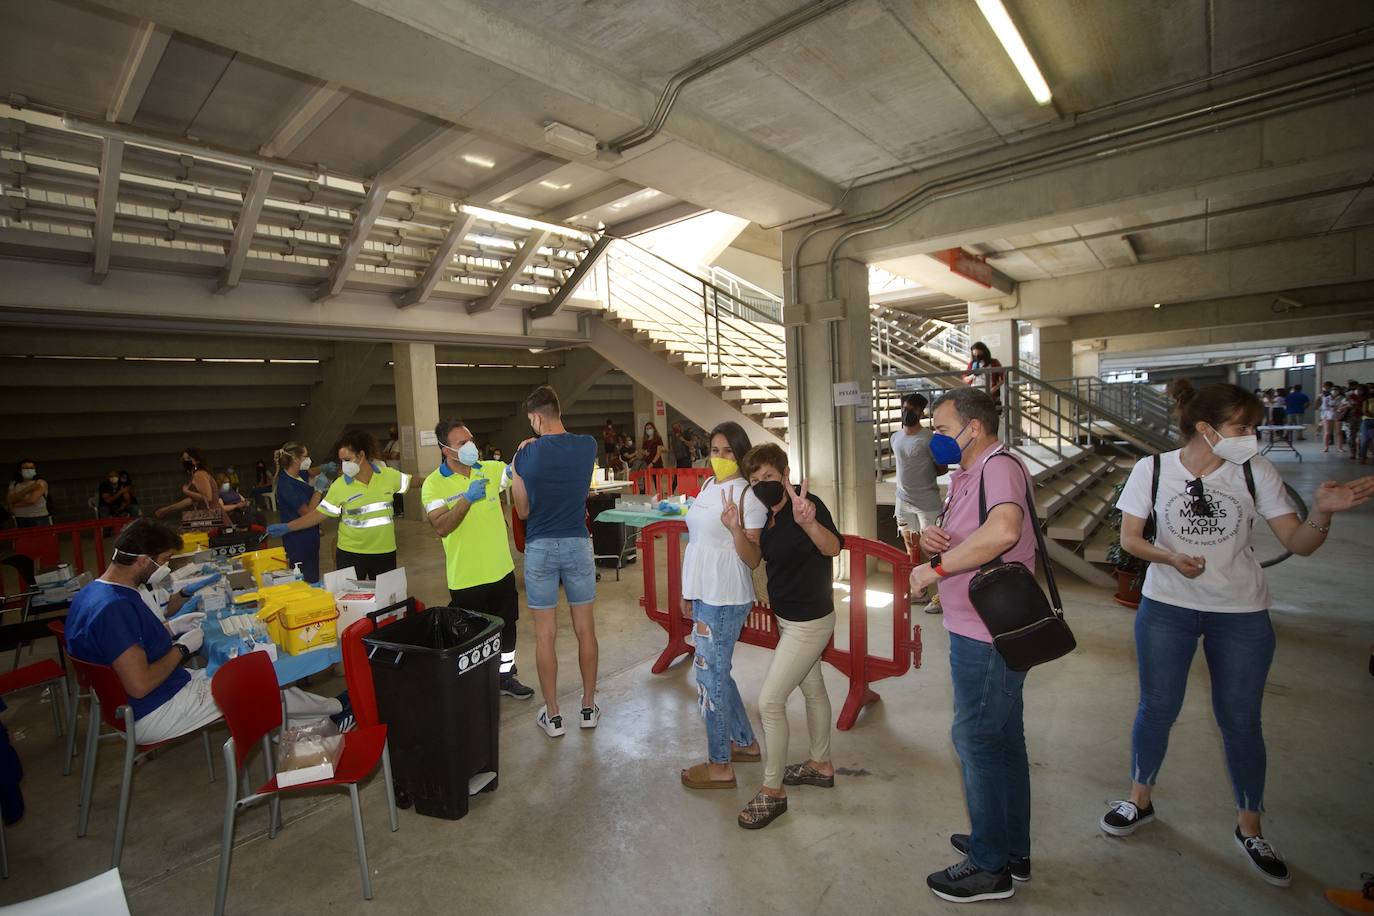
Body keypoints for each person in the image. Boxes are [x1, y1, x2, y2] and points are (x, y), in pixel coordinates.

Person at [1103, 383, 1374, 887]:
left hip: (1242, 613)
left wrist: (1323, 513)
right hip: (1167, 608)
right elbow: (1130, 540)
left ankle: (1250, 826)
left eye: (1252, 426)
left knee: (1242, 720)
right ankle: (1139, 800)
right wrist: (1170, 557)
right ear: (1206, 428)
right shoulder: (1154, 469)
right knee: (1156, 707)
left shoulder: (1255, 470)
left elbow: (1299, 542)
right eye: (1242, 427)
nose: (1252, 435)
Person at [905, 387, 1039, 902]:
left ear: (974, 427)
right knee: (1003, 740)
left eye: (941, 428)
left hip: (987, 633)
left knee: (976, 741)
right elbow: (978, 533)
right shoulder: (967, 474)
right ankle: (1009, 846)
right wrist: (941, 540)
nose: (935, 437)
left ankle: (988, 866)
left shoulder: (999, 466)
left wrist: (931, 569)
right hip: (975, 625)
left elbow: (1004, 530)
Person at [64, 519, 345, 744]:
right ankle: (336, 710)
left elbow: (125, 644)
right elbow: (140, 684)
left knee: (253, 680)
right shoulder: (115, 608)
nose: (165, 568)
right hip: (152, 710)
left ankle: (323, 721)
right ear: (142, 561)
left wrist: (171, 627)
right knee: (259, 681)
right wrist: (183, 648)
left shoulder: (93, 594)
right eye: (163, 560)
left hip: (142, 700)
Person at [732, 443, 842, 831]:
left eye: (770, 477)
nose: (763, 484)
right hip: (787, 620)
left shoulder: (807, 505)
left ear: (786, 474)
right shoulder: (770, 515)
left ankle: (772, 791)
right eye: (755, 479)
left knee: (769, 702)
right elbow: (754, 560)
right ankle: (820, 764)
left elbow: (833, 547)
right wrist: (735, 529)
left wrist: (810, 522)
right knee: (812, 690)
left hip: (810, 622)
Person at [677, 422, 766, 791]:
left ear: (742, 454)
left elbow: (753, 558)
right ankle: (744, 743)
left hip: (727, 596)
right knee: (716, 673)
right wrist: (688, 592)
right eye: (715, 450)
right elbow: (696, 541)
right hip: (704, 593)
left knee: (708, 678)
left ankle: (720, 765)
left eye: (728, 451)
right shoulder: (709, 486)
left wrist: (734, 529)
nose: (720, 457)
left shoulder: (749, 496)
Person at [508, 386, 600, 737]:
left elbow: (523, 510)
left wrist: (518, 463)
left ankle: (554, 716)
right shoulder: (588, 445)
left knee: (545, 635)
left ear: (536, 418)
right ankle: (588, 708)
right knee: (585, 629)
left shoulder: (526, 457)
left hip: (541, 548)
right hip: (577, 542)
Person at [421, 418, 533, 700]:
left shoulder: (490, 470)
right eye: (462, 443)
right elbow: (441, 526)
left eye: (470, 439)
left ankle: (505, 677)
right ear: (446, 450)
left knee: (507, 628)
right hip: (467, 577)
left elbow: (514, 471)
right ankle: (475, 685)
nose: (471, 446)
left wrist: (527, 451)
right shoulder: (433, 485)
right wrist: (467, 499)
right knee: (470, 637)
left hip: (501, 570)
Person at [265, 430, 410, 579]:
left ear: (361, 455)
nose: (343, 465)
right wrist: (289, 526)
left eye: (347, 460)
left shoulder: (387, 475)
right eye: (342, 461)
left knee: (386, 597)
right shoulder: (339, 486)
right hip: (347, 550)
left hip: (383, 551)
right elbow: (316, 514)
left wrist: (432, 481)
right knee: (319, 582)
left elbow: (413, 481)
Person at [891, 392, 947, 614]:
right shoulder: (895, 437)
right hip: (903, 501)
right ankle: (919, 592)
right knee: (910, 546)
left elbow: (941, 467)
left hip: (927, 502)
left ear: (921, 413)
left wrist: (927, 468)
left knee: (934, 549)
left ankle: (942, 596)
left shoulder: (929, 438)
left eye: (912, 410)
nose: (907, 413)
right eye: (905, 408)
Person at [272, 442, 322, 583]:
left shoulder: (297, 475)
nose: (308, 460)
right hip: (299, 539)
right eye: (305, 457)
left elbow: (311, 472)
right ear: (295, 459)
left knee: (313, 571)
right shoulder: (287, 485)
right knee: (306, 578)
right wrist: (319, 490)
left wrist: (325, 467)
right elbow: (309, 514)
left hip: (310, 536)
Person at [154, 448, 217, 520]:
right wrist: (167, 509)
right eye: (184, 458)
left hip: (210, 517)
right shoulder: (196, 474)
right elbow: (192, 500)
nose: (185, 461)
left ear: (197, 461)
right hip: (206, 516)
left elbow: (207, 497)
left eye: (188, 458)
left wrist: (186, 492)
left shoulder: (200, 474)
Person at [7, 459, 51, 527]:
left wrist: (15, 504)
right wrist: (28, 489)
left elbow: (32, 500)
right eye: (26, 468)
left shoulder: (40, 482)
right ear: (20, 471)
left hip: (38, 518)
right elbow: (10, 499)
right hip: (19, 518)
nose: (29, 470)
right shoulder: (14, 484)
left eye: (31, 468)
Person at [381, 424, 404, 519]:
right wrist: (389, 455)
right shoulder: (390, 443)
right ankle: (395, 510)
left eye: (393, 431)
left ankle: (400, 510)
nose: (391, 433)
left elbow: (393, 455)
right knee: (392, 493)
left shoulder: (399, 443)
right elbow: (383, 454)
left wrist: (389, 455)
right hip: (389, 470)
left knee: (398, 493)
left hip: (397, 470)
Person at [1320, 382, 1345, 453]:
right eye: (1333, 390)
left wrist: (1338, 408)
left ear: (1339, 391)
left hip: (1338, 416)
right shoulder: (1326, 398)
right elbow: (1325, 407)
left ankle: (1340, 447)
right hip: (1327, 417)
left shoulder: (1342, 398)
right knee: (1327, 433)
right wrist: (1335, 408)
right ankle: (1326, 447)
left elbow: (1344, 406)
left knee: (1339, 433)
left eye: (1336, 390)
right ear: (1330, 391)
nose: (1334, 391)